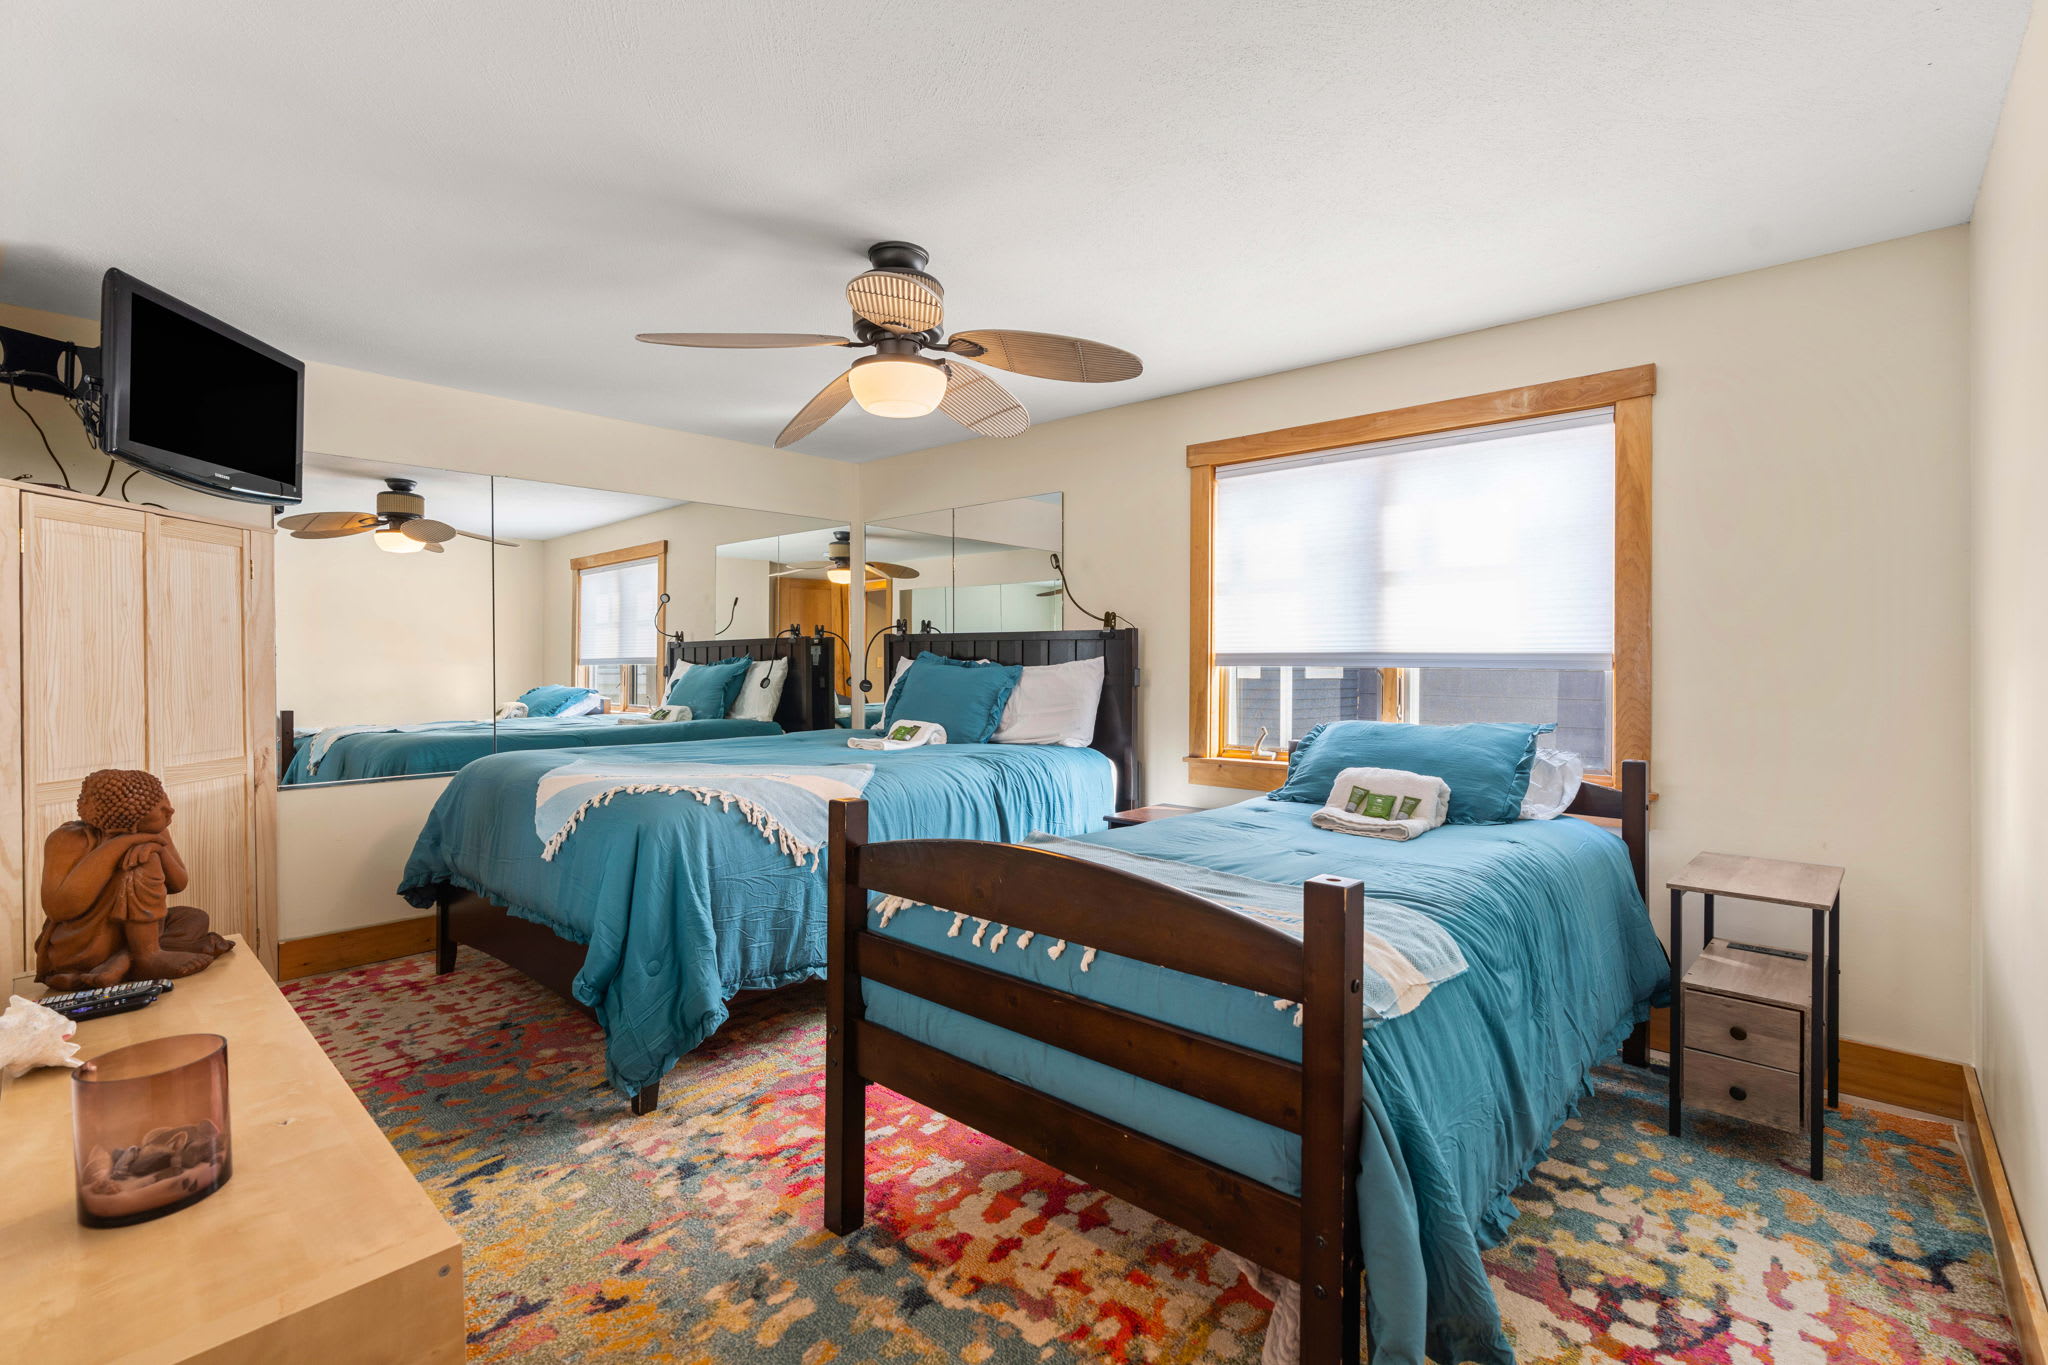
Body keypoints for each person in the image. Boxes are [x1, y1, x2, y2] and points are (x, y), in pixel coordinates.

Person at [36, 769, 232, 990]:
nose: (170, 810)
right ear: (129, 823)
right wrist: (120, 844)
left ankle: (123, 960)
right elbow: (61, 909)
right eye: (160, 809)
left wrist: (159, 847)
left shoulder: (155, 832)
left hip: (135, 935)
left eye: (164, 800)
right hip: (86, 945)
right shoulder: (67, 839)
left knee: (194, 918)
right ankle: (147, 956)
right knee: (143, 862)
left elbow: (179, 884)